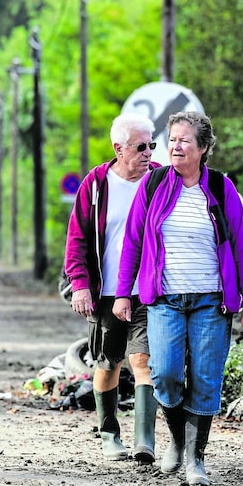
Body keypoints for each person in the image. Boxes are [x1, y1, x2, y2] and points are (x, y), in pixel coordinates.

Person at [113, 111, 243, 486]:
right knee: (165, 373)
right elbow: (132, 242)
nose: (175, 146)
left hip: (212, 301)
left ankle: (195, 458)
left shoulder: (222, 188)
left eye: (184, 140)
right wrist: (123, 293)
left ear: (203, 148)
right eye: (172, 139)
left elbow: (242, 247)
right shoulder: (154, 184)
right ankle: (177, 442)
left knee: (207, 379)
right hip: (164, 299)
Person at [64, 113, 162, 462]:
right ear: (118, 148)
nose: (148, 151)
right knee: (108, 362)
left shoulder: (161, 180)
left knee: (144, 360)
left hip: (148, 290)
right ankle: (109, 433)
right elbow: (76, 237)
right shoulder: (95, 184)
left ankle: (144, 442)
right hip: (106, 291)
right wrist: (80, 285)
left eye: (151, 144)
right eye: (140, 146)